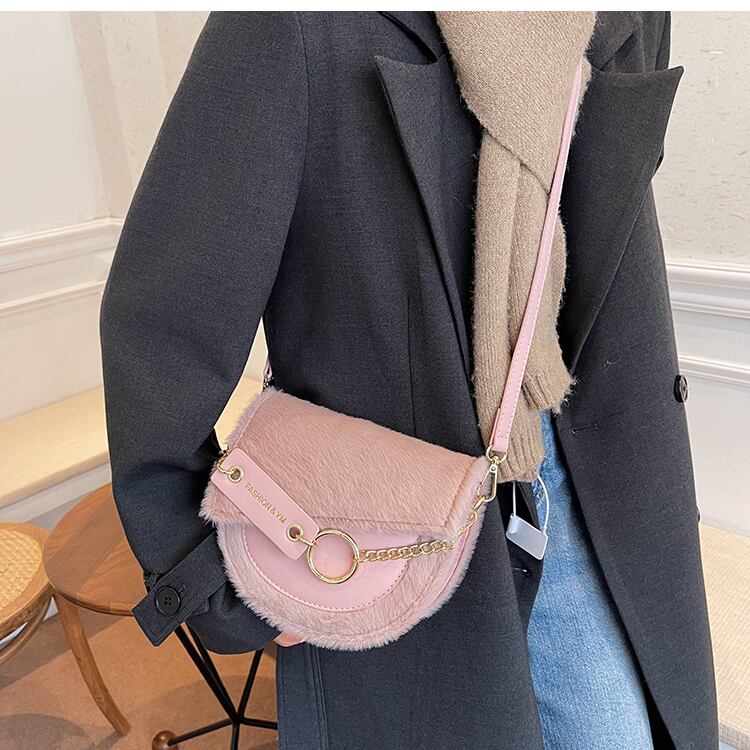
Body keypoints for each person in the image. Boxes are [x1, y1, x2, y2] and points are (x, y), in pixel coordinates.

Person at [100, 11, 718, 749]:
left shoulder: (626, 14)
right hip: (400, 520)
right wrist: (220, 575)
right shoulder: (293, 26)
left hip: (596, 477)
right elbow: (163, 325)